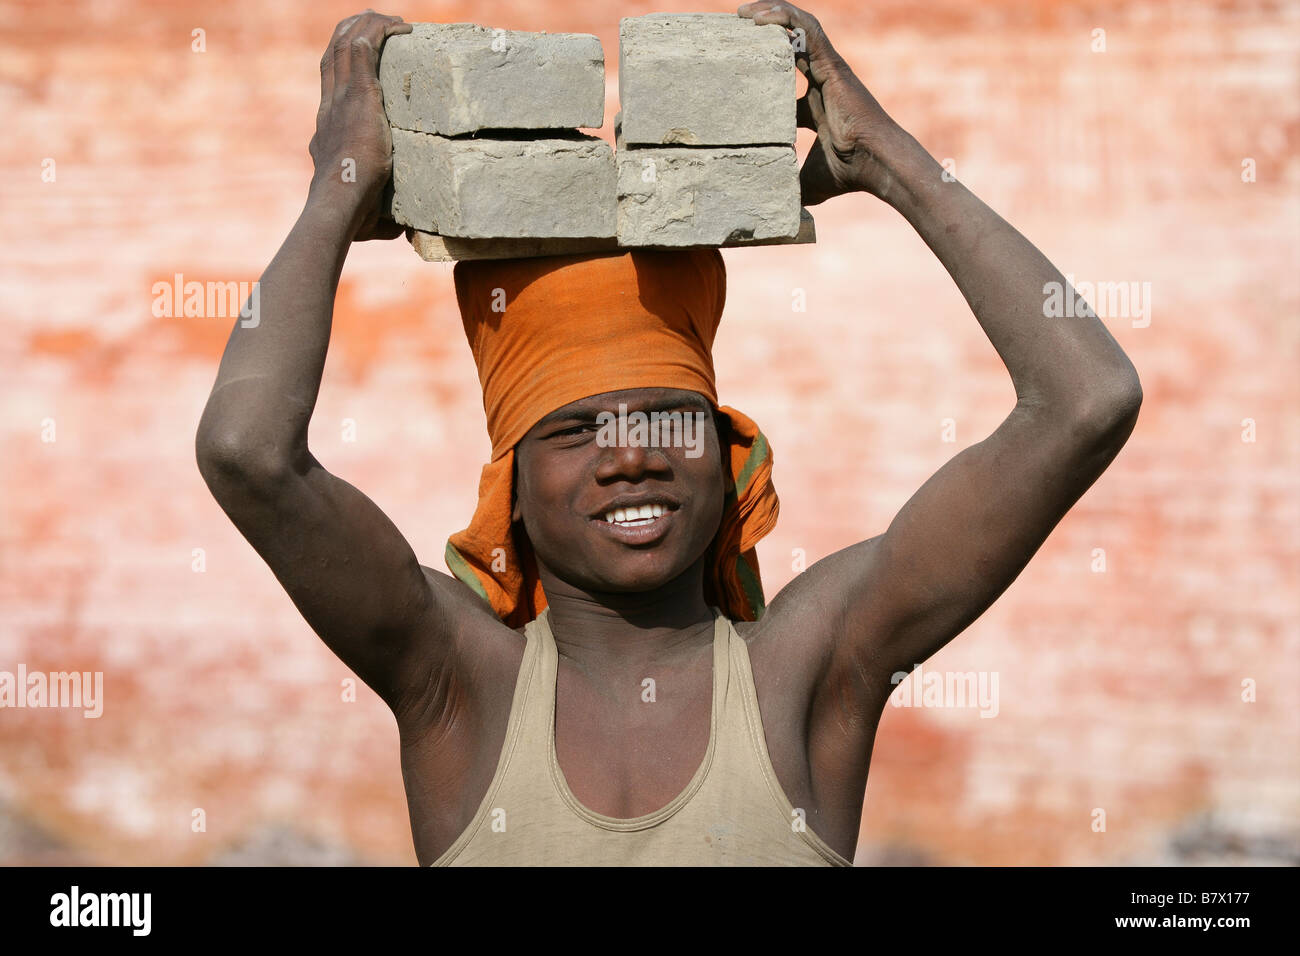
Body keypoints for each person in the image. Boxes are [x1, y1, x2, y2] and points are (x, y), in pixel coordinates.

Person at [195, 4, 1142, 866]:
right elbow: (247, 453)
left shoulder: (812, 670)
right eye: (573, 430)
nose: (632, 454)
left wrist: (885, 159)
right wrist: (337, 187)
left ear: (731, 455)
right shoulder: (457, 682)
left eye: (671, 418)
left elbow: (1086, 400)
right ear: (509, 484)